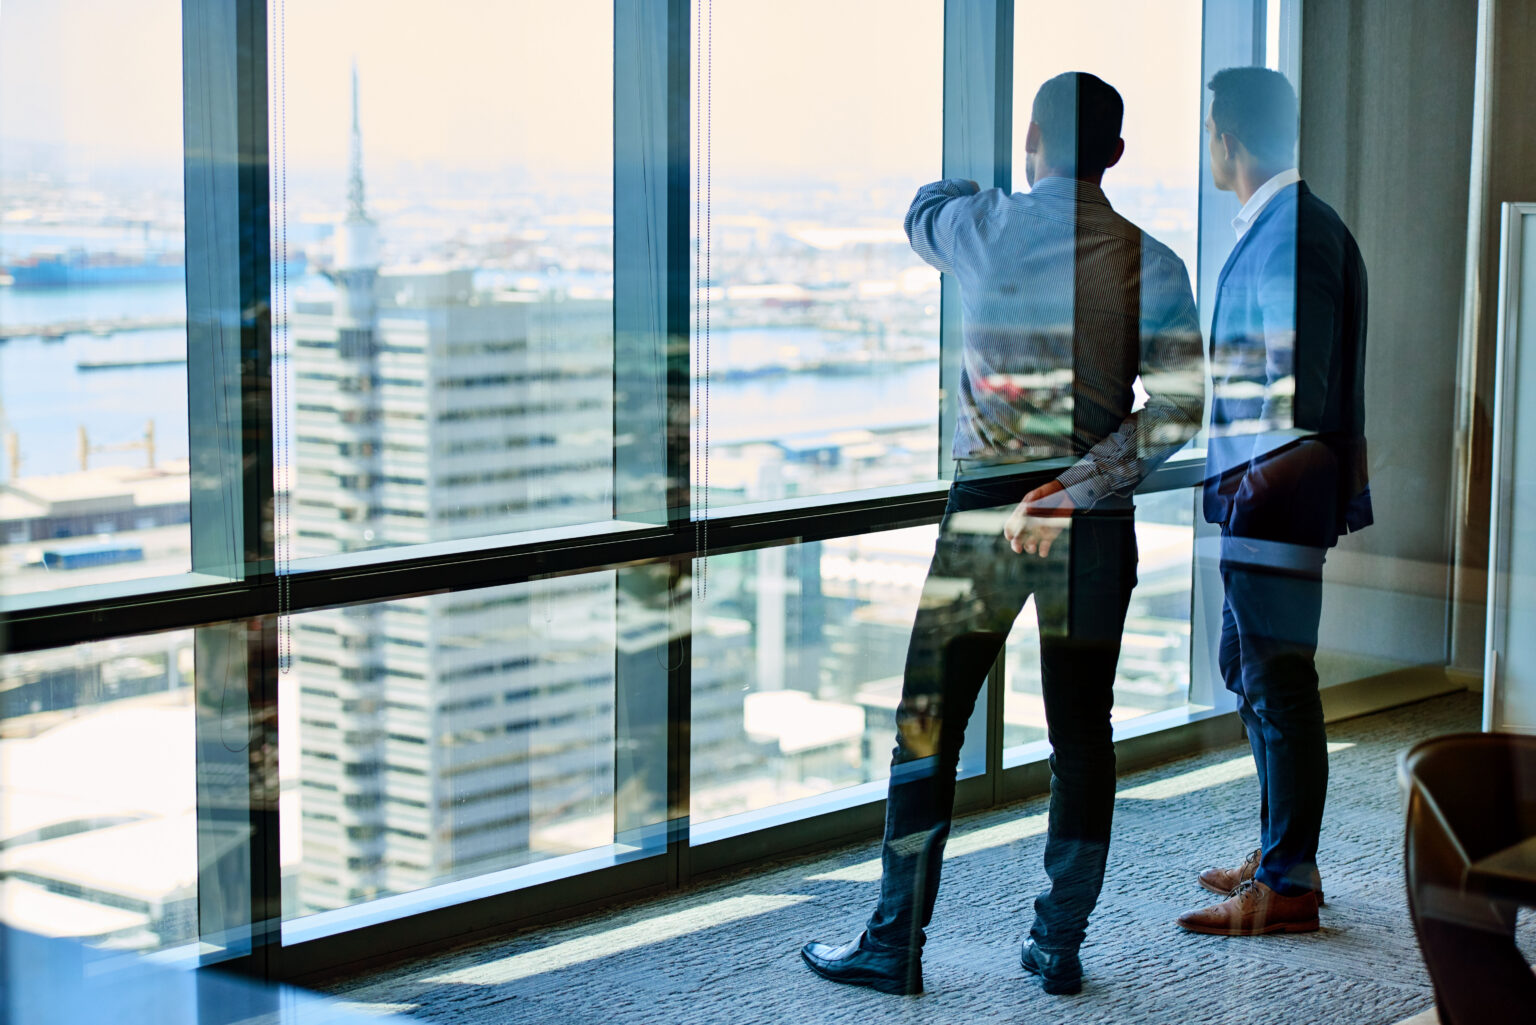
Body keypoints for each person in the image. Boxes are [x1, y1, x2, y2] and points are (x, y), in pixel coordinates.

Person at [799, 71, 1204, 997]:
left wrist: (1002, 176)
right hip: (1091, 523)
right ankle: (1058, 942)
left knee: (927, 724)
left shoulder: (980, 227)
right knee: (1082, 737)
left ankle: (896, 939)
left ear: (1032, 139)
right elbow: (1183, 408)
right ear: (1117, 154)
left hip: (985, 511)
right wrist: (1075, 484)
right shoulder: (1157, 263)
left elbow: (921, 208)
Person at [1177, 66, 1371, 937]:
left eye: (1209, 129)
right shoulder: (1291, 225)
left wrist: (1244, 491)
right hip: (1267, 508)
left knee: (1279, 683)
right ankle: (1281, 845)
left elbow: (1301, 402)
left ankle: (1289, 881)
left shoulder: (1293, 234)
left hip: (1276, 510)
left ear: (1229, 136)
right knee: (1249, 670)